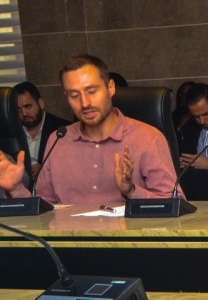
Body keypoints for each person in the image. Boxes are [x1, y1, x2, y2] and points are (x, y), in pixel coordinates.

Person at [0, 55, 179, 206]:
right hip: (67, 245)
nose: (85, 103)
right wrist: (16, 190)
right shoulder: (58, 140)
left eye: (91, 91)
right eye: (74, 95)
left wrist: (131, 191)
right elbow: (43, 210)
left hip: (128, 244)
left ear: (111, 87)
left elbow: (174, 204)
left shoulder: (147, 138)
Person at [12, 81, 71, 179]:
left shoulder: (63, 128)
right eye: (18, 109)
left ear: (41, 103)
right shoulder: (11, 132)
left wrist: (48, 169)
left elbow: (73, 166)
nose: (24, 113)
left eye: (28, 106)